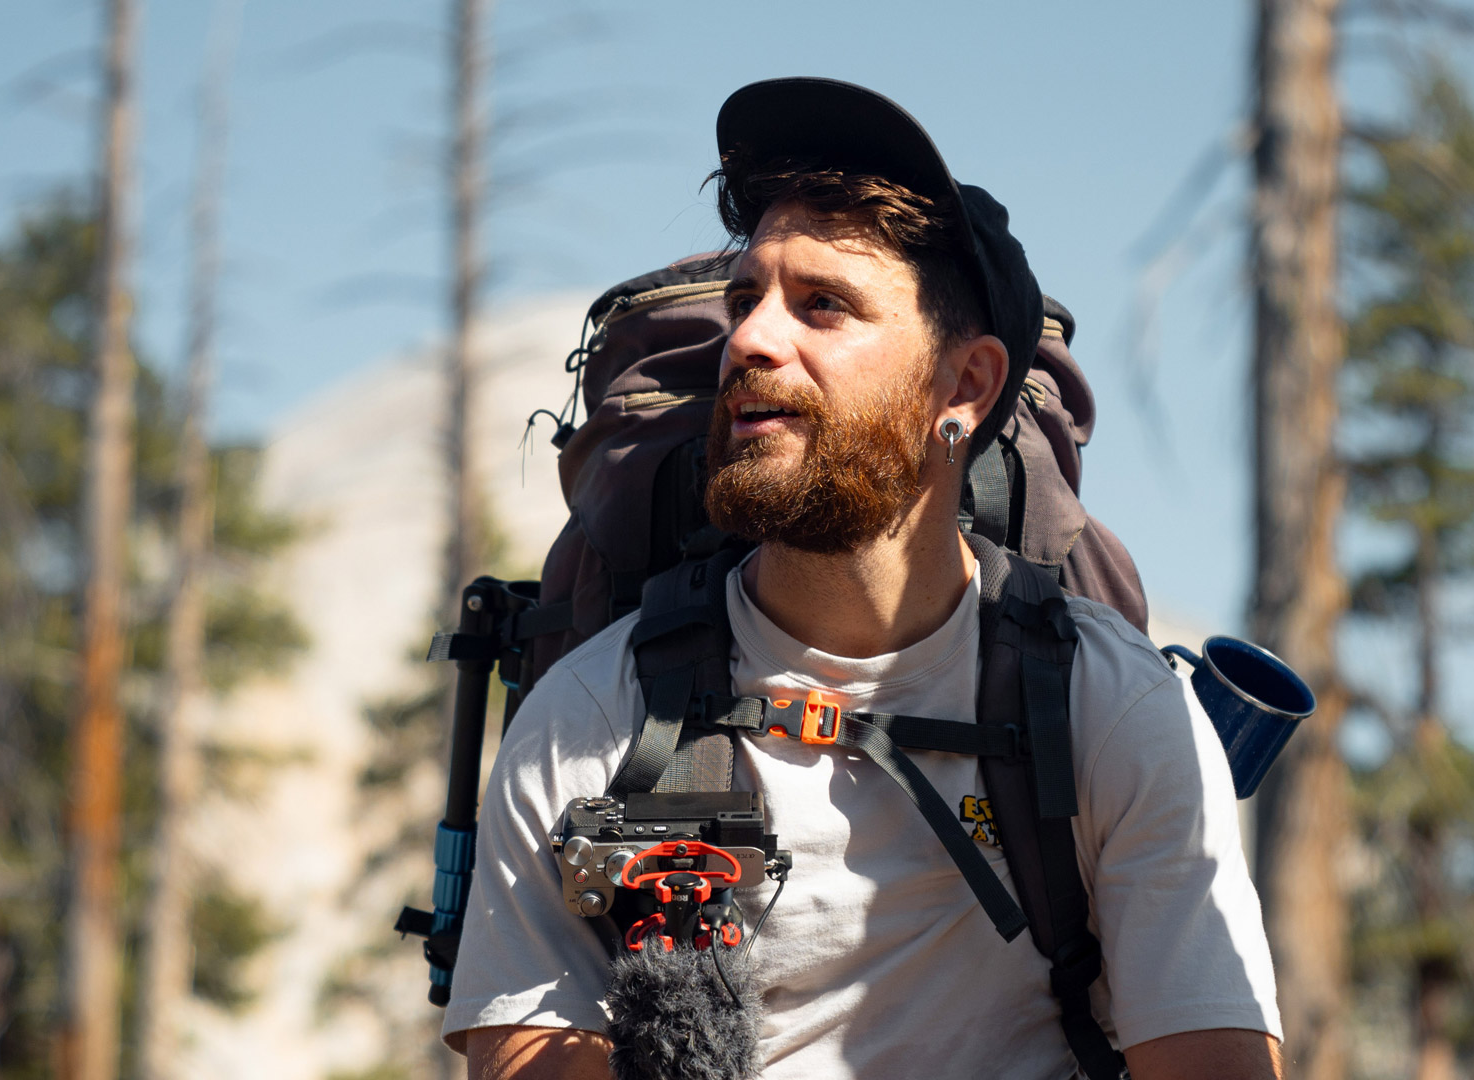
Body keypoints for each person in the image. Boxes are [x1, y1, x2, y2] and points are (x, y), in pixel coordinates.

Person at [442, 77, 1283, 1080]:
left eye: (824, 307)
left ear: (964, 387)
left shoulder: (1107, 706)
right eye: (747, 298)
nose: (750, 339)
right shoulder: (596, 716)